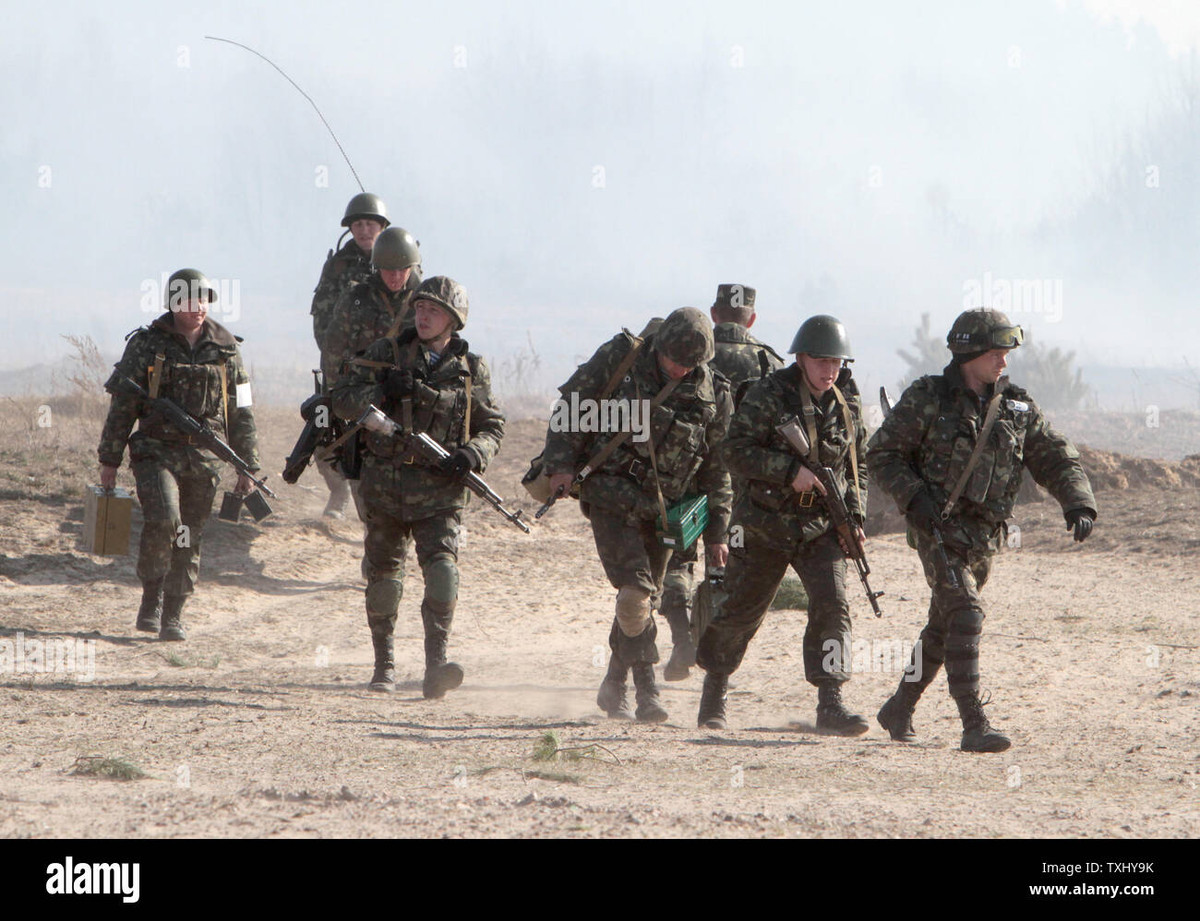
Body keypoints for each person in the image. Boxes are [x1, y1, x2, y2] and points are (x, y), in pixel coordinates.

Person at [866, 308, 1097, 753]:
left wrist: (1077, 501)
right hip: (936, 528)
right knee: (967, 614)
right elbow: (883, 454)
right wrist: (915, 496)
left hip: (983, 538)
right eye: (995, 353)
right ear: (968, 352)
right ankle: (974, 723)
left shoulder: (1017, 407)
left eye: (1006, 354)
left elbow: (1053, 456)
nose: (1003, 362)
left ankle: (899, 707)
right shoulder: (928, 398)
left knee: (943, 627)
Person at [542, 308, 733, 722]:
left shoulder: (715, 394)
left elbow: (717, 467)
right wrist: (560, 466)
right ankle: (647, 690)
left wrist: (717, 530)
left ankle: (613, 685)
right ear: (660, 347)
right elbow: (570, 407)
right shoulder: (621, 357)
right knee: (634, 595)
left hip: (665, 510)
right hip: (610, 494)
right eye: (673, 361)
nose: (680, 370)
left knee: (642, 600)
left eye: (690, 365)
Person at [694, 315, 869, 734]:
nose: (831, 371)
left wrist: (856, 517)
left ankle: (831, 703)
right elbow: (734, 452)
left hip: (821, 527)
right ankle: (714, 691)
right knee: (741, 611)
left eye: (837, 363)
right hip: (764, 525)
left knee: (834, 604)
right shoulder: (768, 395)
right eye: (822, 361)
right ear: (802, 358)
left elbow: (857, 465)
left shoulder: (845, 403)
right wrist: (787, 470)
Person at [331, 276, 504, 698]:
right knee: (385, 579)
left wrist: (472, 455)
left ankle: (435, 667)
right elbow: (341, 399)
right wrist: (381, 390)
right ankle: (383, 665)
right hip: (385, 488)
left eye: (435, 311)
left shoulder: (470, 368)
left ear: (454, 322)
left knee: (443, 574)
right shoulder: (385, 354)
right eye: (420, 308)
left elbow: (492, 425)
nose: (424, 317)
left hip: (441, 493)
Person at [98, 269, 260, 641]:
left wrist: (246, 465)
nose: (197, 308)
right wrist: (110, 459)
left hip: (204, 458)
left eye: (203, 300)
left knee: (189, 532)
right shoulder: (146, 345)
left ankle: (174, 612)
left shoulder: (226, 348)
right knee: (165, 519)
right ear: (172, 303)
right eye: (189, 300)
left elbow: (242, 410)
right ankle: (152, 595)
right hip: (156, 451)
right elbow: (124, 404)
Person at [660, 284, 788, 681]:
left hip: (684, 474)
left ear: (714, 315)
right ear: (751, 319)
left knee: (676, 561)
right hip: (744, 489)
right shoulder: (769, 364)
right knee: (729, 570)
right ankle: (715, 657)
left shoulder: (689, 353)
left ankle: (682, 638)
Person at [310, 193, 421, 518]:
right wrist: (341, 370)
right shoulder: (338, 266)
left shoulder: (410, 271)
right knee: (323, 429)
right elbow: (324, 322)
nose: (363, 229)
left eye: (369, 223)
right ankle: (339, 490)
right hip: (348, 369)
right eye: (357, 224)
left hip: (397, 377)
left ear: (382, 226)